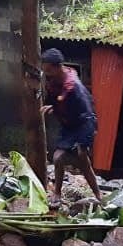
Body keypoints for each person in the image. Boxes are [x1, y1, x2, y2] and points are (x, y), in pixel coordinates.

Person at [40, 48, 102, 203]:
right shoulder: (54, 80)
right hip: (68, 125)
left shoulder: (73, 87)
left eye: (48, 70)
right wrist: (53, 107)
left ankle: (98, 195)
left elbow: (86, 112)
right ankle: (57, 194)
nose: (45, 74)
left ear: (57, 67)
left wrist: (56, 108)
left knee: (82, 156)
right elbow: (55, 100)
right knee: (58, 158)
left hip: (83, 122)